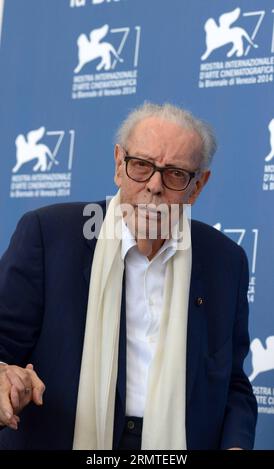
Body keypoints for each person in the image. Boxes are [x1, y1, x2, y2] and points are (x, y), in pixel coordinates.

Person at [0, 102, 257, 450]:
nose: (154, 185)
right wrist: (6, 375)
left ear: (197, 186)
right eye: (141, 165)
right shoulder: (48, 235)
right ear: (119, 164)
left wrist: (236, 444)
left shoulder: (225, 261)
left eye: (175, 173)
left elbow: (233, 384)